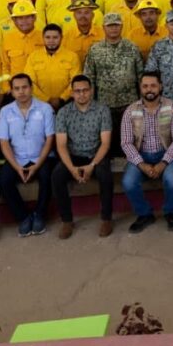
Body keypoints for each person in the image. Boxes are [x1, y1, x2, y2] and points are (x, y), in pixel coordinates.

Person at [120, 72, 173, 233]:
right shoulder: (130, 110)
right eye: (145, 86)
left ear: (160, 86)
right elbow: (126, 142)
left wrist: (163, 163)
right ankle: (145, 214)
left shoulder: (172, 107)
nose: (149, 89)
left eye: (153, 85)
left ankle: (170, 212)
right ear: (140, 88)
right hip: (140, 156)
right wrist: (141, 164)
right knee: (128, 182)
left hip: (167, 154)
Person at [52, 75, 114, 239]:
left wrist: (92, 165)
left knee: (105, 175)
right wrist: (72, 169)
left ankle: (106, 219)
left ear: (91, 91)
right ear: (72, 93)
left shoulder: (102, 110)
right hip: (73, 156)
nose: (81, 94)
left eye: (85, 90)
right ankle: (67, 221)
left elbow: (105, 143)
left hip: (96, 154)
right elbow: (61, 145)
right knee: (57, 175)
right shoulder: (63, 112)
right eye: (77, 91)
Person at [0, 74, 56, 237]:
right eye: (17, 88)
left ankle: (40, 215)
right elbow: (4, 142)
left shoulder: (45, 108)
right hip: (17, 158)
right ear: (11, 91)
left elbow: (50, 139)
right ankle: (23, 217)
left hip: (41, 156)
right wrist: (17, 167)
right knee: (3, 180)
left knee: (47, 176)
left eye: (24, 87)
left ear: (31, 88)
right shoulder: (5, 111)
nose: (21, 91)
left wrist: (37, 165)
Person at [84, 12, 143, 136]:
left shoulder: (132, 48)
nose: (113, 28)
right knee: (108, 138)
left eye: (116, 25)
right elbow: (89, 78)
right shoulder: (95, 50)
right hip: (104, 103)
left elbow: (141, 76)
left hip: (129, 102)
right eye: (110, 25)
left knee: (130, 136)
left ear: (122, 26)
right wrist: (90, 103)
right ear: (103, 28)